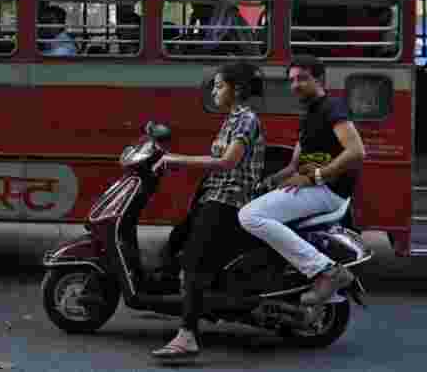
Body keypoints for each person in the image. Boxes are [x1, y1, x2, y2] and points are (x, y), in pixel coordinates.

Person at [149, 62, 266, 360]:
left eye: (218, 86)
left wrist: (178, 160)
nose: (214, 91)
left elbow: (227, 162)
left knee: (193, 264)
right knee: (174, 244)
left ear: (236, 89)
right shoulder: (232, 119)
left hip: (228, 201)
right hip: (213, 197)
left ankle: (187, 334)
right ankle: (179, 305)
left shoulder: (245, 120)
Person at [238, 54, 365, 308]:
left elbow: (356, 151)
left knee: (249, 216)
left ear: (319, 79)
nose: (296, 85)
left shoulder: (332, 108)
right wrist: (269, 181)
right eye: (292, 80)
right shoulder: (309, 113)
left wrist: (315, 177)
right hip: (314, 185)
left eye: (302, 79)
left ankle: (326, 271)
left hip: (328, 190)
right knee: (252, 206)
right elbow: (295, 164)